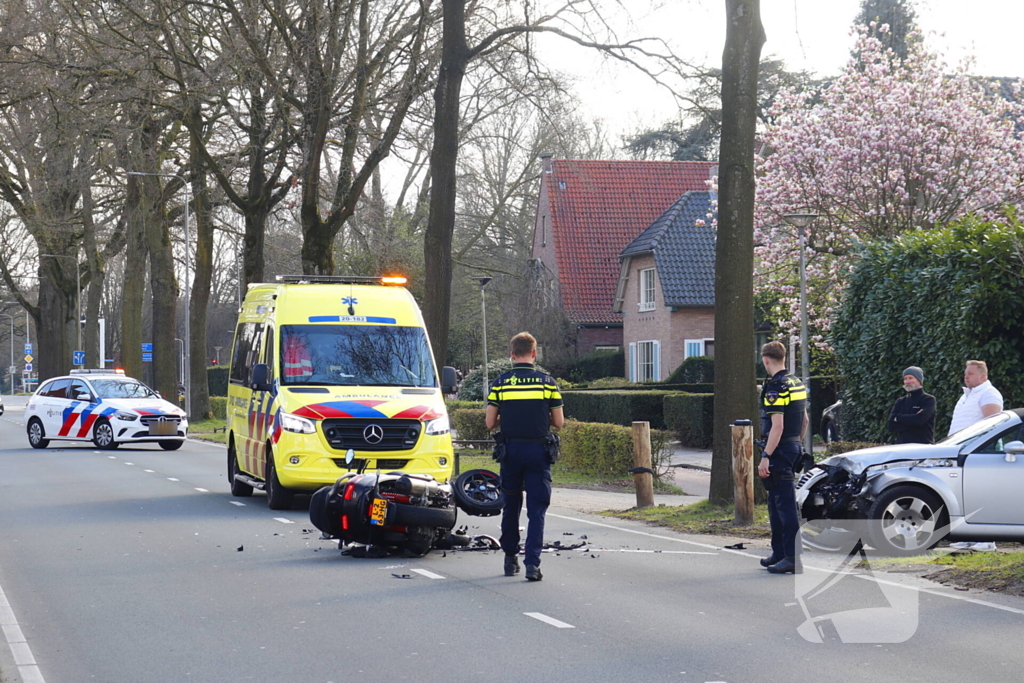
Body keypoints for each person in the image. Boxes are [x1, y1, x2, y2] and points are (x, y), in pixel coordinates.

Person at [485, 332, 564, 581]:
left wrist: (508, 417)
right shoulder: (547, 383)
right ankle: (533, 564)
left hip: (511, 452)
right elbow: (559, 422)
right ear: (534, 353)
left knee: (511, 505)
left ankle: (510, 560)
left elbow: (489, 423)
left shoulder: (501, 383)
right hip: (538, 452)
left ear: (512, 355)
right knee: (536, 509)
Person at [757, 341, 809, 575]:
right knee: (775, 502)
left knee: (785, 506)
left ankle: (792, 557)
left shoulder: (776, 387)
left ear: (766, 360)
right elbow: (805, 421)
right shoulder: (796, 382)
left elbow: (777, 426)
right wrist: (795, 444)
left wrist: (766, 455)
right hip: (792, 446)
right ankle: (779, 553)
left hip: (778, 450)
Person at [948, 360, 1003, 552]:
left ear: (983, 376)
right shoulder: (965, 397)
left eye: (970, 373)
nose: (966, 376)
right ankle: (970, 536)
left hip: (980, 453)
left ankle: (987, 540)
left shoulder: (989, 393)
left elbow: (992, 425)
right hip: (962, 451)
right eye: (966, 373)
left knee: (983, 495)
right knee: (966, 495)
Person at [887, 366, 936, 444]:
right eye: (905, 379)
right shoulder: (900, 401)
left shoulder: (928, 400)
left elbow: (920, 420)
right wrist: (914, 421)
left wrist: (898, 417)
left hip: (923, 446)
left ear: (919, 380)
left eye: (910, 378)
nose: (907, 381)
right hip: (902, 447)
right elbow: (891, 426)